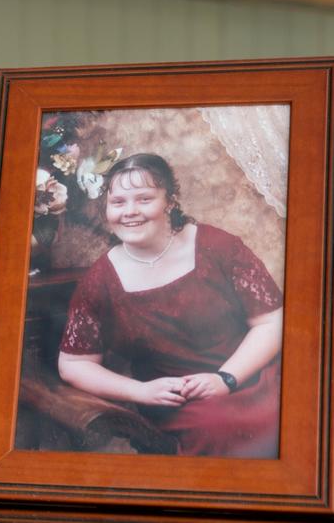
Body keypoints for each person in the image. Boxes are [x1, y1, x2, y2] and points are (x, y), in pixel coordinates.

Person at [56, 152, 282, 458]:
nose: (130, 212)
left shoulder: (218, 247)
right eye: (118, 202)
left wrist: (226, 379)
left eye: (144, 199)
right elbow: (73, 365)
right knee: (220, 429)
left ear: (170, 202)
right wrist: (143, 391)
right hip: (179, 404)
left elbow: (272, 322)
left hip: (252, 377)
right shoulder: (99, 281)